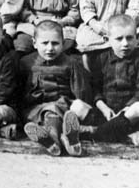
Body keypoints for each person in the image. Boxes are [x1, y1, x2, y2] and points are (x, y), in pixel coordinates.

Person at [21, 21, 92, 157]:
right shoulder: (26, 63)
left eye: (55, 43)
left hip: (63, 106)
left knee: (58, 110)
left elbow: (81, 91)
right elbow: (20, 91)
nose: (50, 48)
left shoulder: (70, 63)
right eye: (45, 43)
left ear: (63, 43)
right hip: (36, 110)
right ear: (34, 43)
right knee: (49, 113)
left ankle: (53, 141)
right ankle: (67, 139)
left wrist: (79, 106)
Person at [79, 15, 139, 146]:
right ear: (108, 39)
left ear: (137, 37)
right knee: (77, 106)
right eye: (119, 39)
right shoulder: (101, 58)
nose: (125, 44)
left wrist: (124, 112)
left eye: (129, 38)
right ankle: (124, 135)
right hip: (106, 113)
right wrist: (104, 108)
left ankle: (95, 133)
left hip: (128, 115)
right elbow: (95, 88)